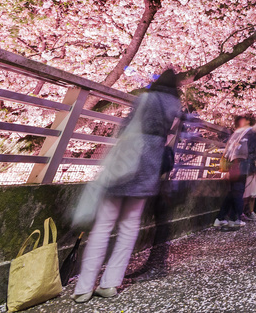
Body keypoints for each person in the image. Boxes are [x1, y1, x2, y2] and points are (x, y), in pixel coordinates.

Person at [72, 69, 182, 303]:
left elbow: (125, 128)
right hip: (150, 164)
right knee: (130, 226)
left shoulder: (145, 98)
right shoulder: (175, 104)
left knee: (103, 225)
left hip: (126, 162)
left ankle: (83, 288)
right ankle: (110, 283)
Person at [214, 116, 256, 230]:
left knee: (232, 192)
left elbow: (230, 149)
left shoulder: (237, 133)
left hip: (233, 164)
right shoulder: (250, 133)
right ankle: (235, 219)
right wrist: (252, 164)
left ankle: (220, 218)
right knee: (238, 191)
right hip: (241, 164)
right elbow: (250, 150)